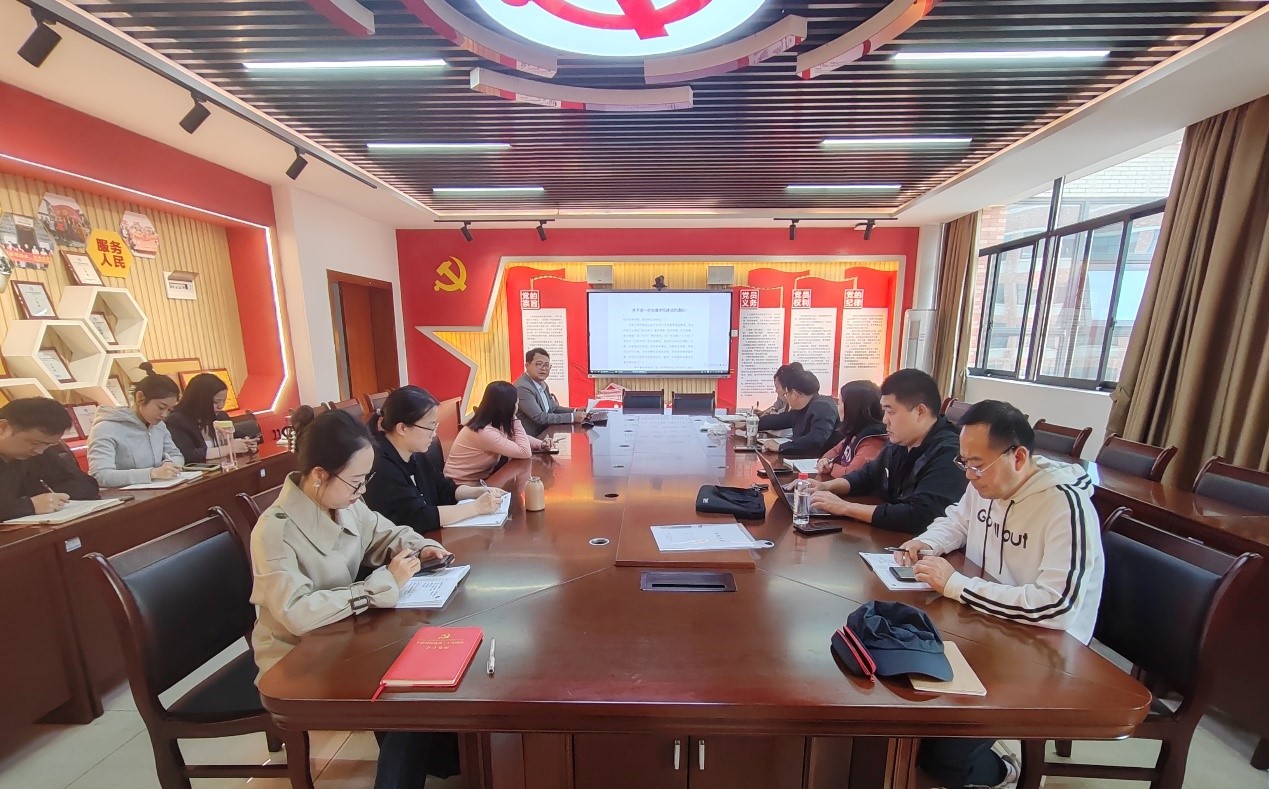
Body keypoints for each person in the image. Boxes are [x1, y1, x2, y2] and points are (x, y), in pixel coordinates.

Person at [894, 400, 1104, 789]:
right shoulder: (986, 484)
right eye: (964, 463)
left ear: (1018, 457)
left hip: (1044, 652)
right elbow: (957, 522)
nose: (969, 475)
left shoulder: (1064, 507)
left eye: (977, 465)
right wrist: (926, 542)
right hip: (988, 625)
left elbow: (1056, 606)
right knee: (902, 690)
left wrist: (957, 585)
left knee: (939, 756)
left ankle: (1007, 771)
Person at [249, 408, 457, 789]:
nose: (362, 493)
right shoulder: (275, 532)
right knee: (407, 688)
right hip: (297, 656)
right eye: (356, 483)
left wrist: (419, 546)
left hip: (342, 634)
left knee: (424, 666)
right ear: (319, 476)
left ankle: (445, 759)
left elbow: (385, 533)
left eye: (366, 481)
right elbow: (297, 613)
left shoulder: (343, 503)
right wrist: (375, 588)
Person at [809, 368, 965, 533]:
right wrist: (824, 487)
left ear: (920, 411)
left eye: (890, 412)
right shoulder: (900, 442)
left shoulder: (950, 452)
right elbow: (868, 475)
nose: (884, 420)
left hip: (916, 541)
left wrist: (845, 508)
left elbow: (921, 515)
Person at [364, 385, 506, 533]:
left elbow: (444, 489)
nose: (433, 434)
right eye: (430, 427)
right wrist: (476, 507)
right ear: (402, 428)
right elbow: (418, 518)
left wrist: (478, 492)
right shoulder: (380, 465)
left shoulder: (415, 453)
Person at [86, 363, 184, 487]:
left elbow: (176, 454)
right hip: (126, 495)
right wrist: (152, 473)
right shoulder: (105, 428)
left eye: (169, 410)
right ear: (140, 398)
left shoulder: (159, 426)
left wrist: (170, 465)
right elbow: (100, 475)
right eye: (161, 407)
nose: (164, 415)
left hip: (160, 489)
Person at [0, 397, 99, 520]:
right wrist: (29, 506)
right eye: (34, 443)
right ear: (3, 428)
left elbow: (86, 485)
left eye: (47, 445)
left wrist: (53, 496)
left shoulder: (37, 453)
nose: (39, 451)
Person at [446, 381, 546, 485]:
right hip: (460, 485)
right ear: (507, 406)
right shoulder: (484, 432)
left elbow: (514, 437)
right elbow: (524, 452)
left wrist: (541, 444)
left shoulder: (491, 424)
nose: (517, 406)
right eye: (516, 403)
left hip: (479, 480)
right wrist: (514, 418)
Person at [164, 373, 257, 464]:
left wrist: (247, 443)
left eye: (224, 401)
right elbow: (187, 454)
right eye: (216, 402)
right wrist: (229, 448)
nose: (221, 406)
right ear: (199, 400)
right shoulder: (177, 421)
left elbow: (237, 435)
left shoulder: (220, 416)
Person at [754, 369, 840, 457]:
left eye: (786, 394)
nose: (786, 398)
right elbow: (779, 420)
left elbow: (816, 438)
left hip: (818, 460)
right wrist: (752, 424)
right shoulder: (802, 407)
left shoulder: (824, 407)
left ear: (794, 394)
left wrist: (781, 447)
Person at [816, 379, 887, 478]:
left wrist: (831, 468)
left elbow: (851, 474)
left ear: (852, 408)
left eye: (840, 403)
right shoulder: (856, 432)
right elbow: (834, 451)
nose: (838, 407)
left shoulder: (872, 440)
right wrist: (824, 461)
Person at [515, 348, 581, 435]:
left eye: (546, 365)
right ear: (527, 365)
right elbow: (539, 417)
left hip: (546, 433)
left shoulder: (542, 384)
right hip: (532, 437)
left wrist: (576, 410)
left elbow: (553, 409)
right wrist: (572, 417)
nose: (544, 369)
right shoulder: (522, 387)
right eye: (539, 364)